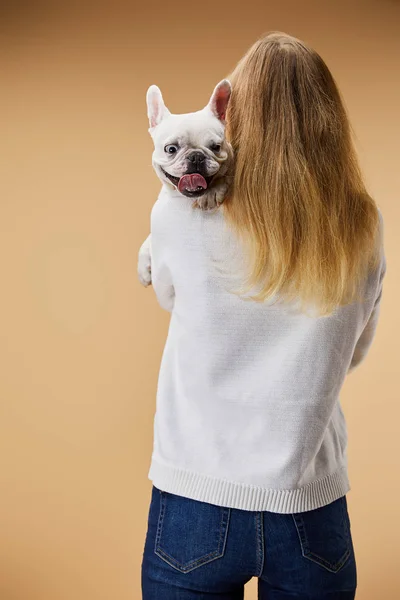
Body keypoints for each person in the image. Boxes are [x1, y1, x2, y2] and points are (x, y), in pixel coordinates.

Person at [141, 31, 386, 600]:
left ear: (233, 112)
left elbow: (170, 298)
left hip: (193, 495)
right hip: (309, 500)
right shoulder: (361, 222)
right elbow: (357, 350)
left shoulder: (178, 214)